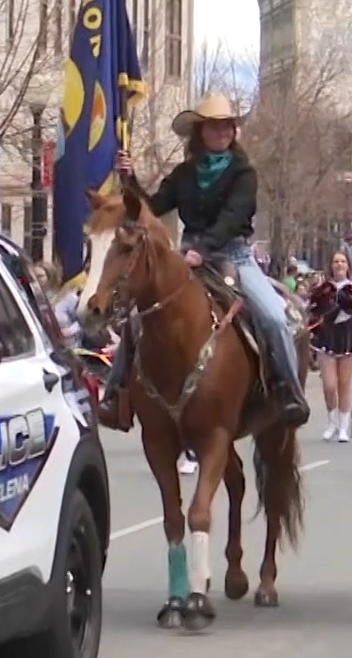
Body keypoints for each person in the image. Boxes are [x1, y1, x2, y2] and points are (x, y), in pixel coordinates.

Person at [98, 93, 311, 427]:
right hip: (187, 256)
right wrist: (130, 179)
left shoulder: (243, 173)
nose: (222, 132)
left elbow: (233, 216)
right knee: (138, 318)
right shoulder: (184, 173)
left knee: (274, 317)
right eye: (214, 126)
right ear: (200, 132)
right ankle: (116, 394)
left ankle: (289, 392)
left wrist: (205, 248)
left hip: (233, 255)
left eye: (227, 126)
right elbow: (152, 207)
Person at [307, 250, 352, 442]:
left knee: (344, 384)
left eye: (343, 261)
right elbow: (312, 310)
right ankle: (332, 422)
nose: (339, 264)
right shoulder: (323, 288)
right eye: (336, 261)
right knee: (329, 385)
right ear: (331, 265)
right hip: (328, 335)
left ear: (348, 265)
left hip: (349, 335)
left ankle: (343, 427)